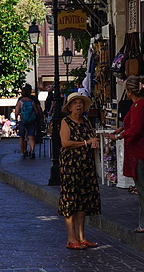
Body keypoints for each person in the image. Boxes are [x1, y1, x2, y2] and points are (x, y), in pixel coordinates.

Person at [106, 75, 144, 233]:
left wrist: (118, 136)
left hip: (141, 150)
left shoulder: (140, 106)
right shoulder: (141, 104)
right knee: (143, 187)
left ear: (129, 91)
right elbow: (131, 123)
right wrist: (120, 129)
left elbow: (136, 129)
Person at [58, 92, 100, 250]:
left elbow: (91, 139)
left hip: (86, 166)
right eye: (75, 103)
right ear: (69, 107)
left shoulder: (86, 121)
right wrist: (85, 142)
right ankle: (71, 237)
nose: (78, 106)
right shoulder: (65, 121)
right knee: (70, 201)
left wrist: (94, 141)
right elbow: (65, 143)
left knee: (83, 201)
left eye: (80, 103)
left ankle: (81, 237)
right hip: (71, 166)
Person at [15, 84, 42, 159]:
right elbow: (37, 111)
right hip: (31, 121)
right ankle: (32, 151)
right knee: (31, 136)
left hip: (22, 121)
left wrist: (17, 119)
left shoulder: (20, 101)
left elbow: (16, 111)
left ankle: (23, 152)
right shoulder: (32, 100)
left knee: (22, 137)